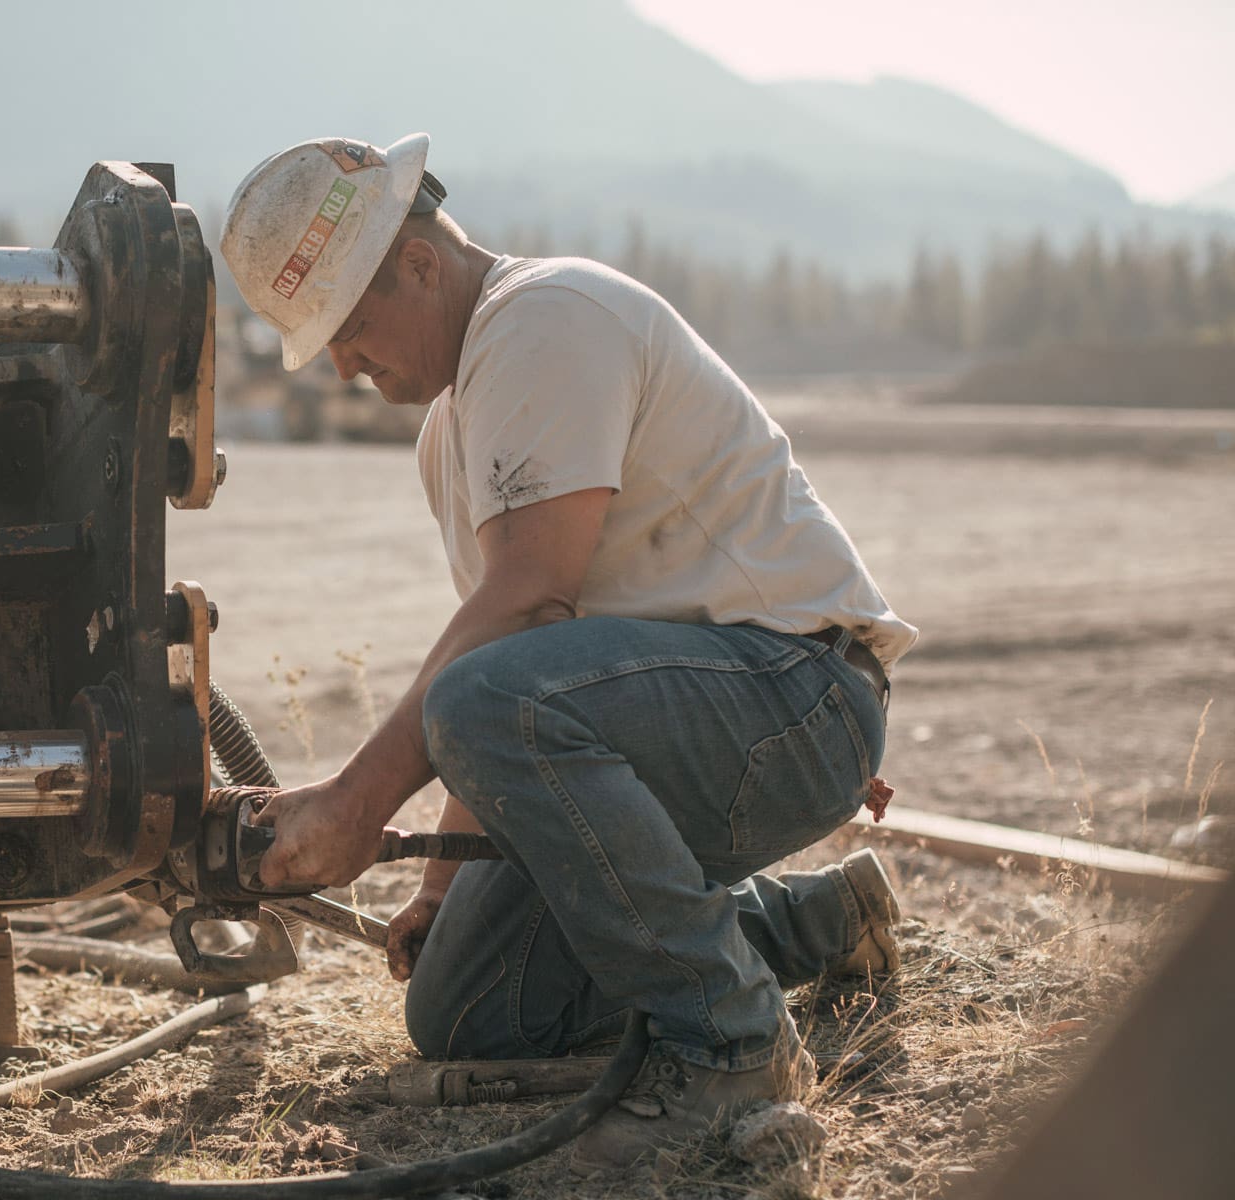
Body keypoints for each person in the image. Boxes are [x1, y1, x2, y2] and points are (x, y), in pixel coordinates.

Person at [219, 133, 916, 1173]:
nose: (346, 366)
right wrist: (440, 893)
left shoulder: (545, 319)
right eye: (325, 347)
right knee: (464, 1008)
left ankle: (727, 1046)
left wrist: (360, 803)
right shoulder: (448, 433)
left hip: (792, 695)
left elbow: (517, 627)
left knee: (479, 698)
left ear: (420, 260)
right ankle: (812, 923)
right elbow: (522, 661)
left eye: (353, 329)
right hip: (690, 714)